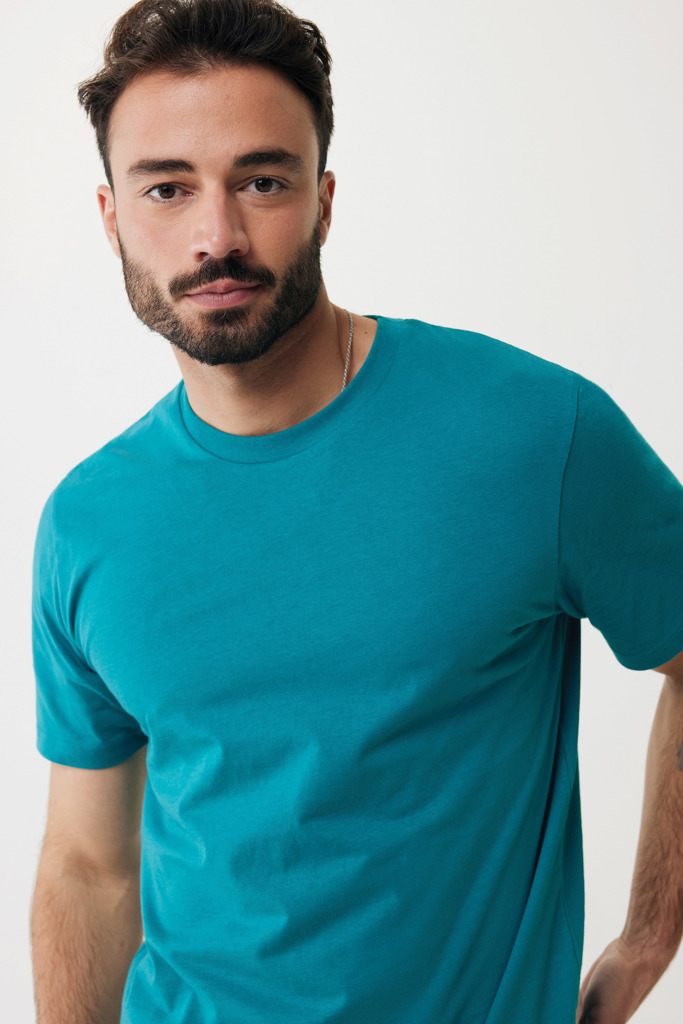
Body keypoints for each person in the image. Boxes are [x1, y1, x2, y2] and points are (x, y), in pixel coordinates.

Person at [29, 1, 683, 1022]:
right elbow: (87, 864)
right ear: (112, 218)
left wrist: (645, 941)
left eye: (261, 181)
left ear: (323, 201)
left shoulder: (530, 432)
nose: (216, 236)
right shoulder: (88, 524)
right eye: (167, 188)